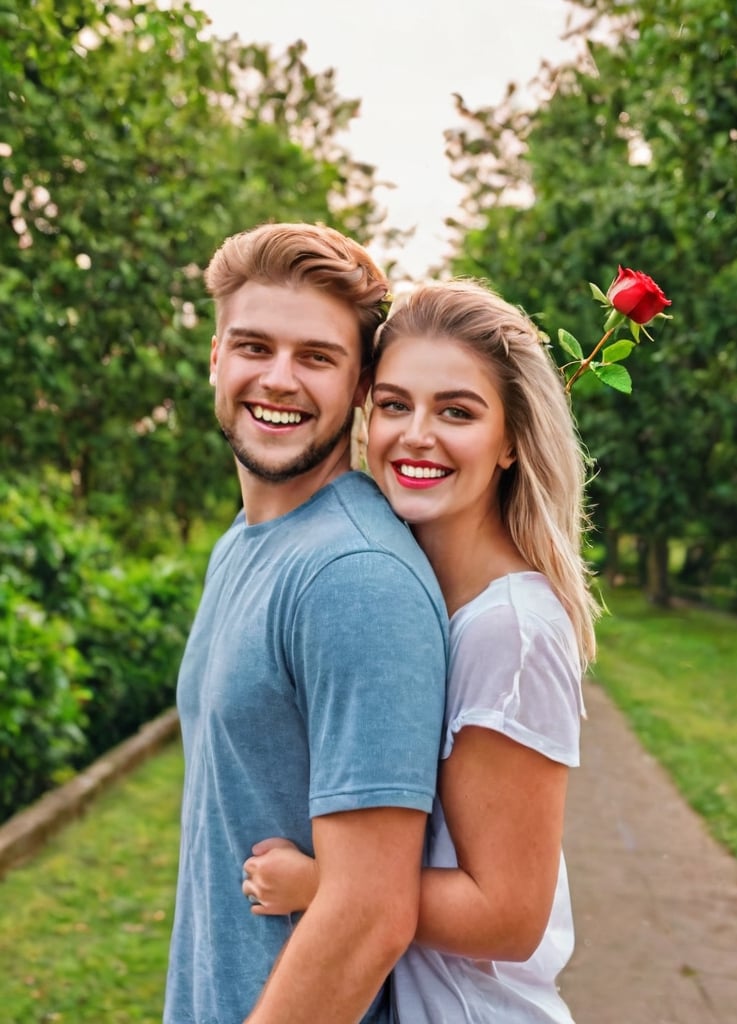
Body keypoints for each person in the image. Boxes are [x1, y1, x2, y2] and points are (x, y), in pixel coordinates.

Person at [241, 279, 600, 1022]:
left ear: (509, 442)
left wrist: (326, 886)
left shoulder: (513, 631)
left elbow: (509, 915)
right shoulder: (420, 596)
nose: (416, 435)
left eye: (457, 412)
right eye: (396, 405)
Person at [163, 223, 449, 1024]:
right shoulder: (245, 541)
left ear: (360, 385)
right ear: (217, 356)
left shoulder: (353, 577)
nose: (279, 380)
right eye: (254, 347)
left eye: (317, 357)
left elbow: (368, 917)